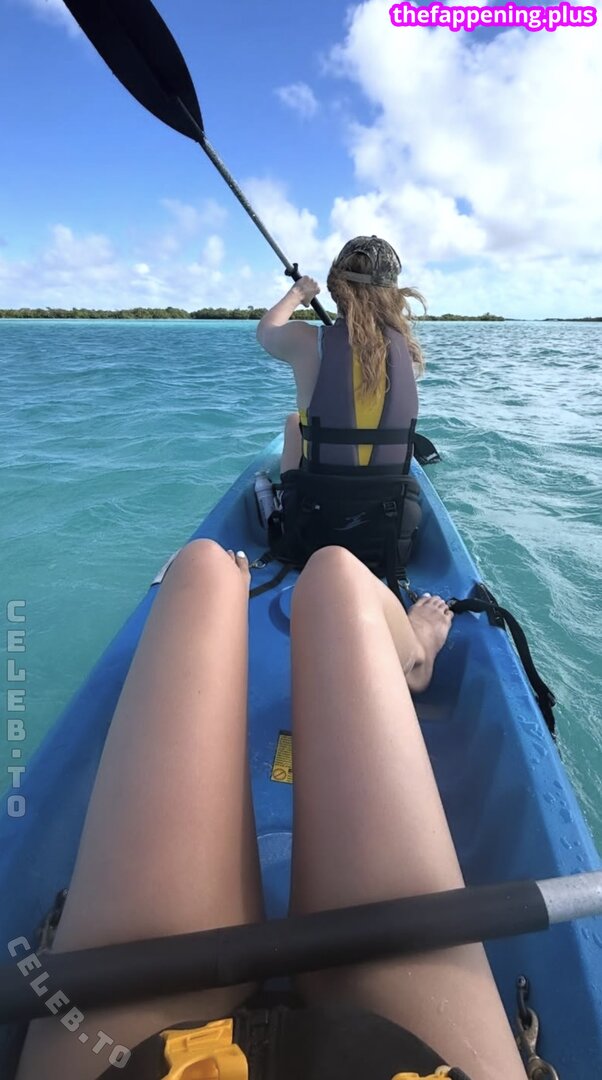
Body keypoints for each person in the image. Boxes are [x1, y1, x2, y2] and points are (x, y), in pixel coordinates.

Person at [15, 541, 527, 1079]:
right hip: (412, 1055)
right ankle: (413, 656)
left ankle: (231, 600)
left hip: (133, 1051)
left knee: (204, 570)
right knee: (333, 577)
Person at [256, 236, 425, 476]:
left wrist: (298, 293)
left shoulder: (304, 340)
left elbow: (265, 331)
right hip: (393, 498)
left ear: (336, 290)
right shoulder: (408, 350)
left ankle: (285, 494)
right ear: (394, 294)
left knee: (294, 422)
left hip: (318, 496)